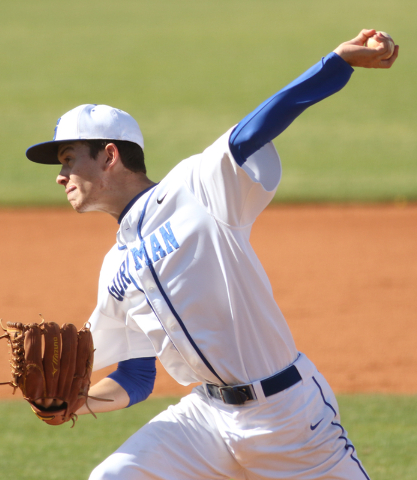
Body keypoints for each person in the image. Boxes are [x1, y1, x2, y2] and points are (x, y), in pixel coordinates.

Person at [26, 29, 398, 480]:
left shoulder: (197, 187)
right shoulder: (115, 267)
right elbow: (137, 376)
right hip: (206, 421)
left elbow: (256, 127)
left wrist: (338, 63)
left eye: (68, 159)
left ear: (108, 156)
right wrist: (74, 404)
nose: (61, 176)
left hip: (288, 419)